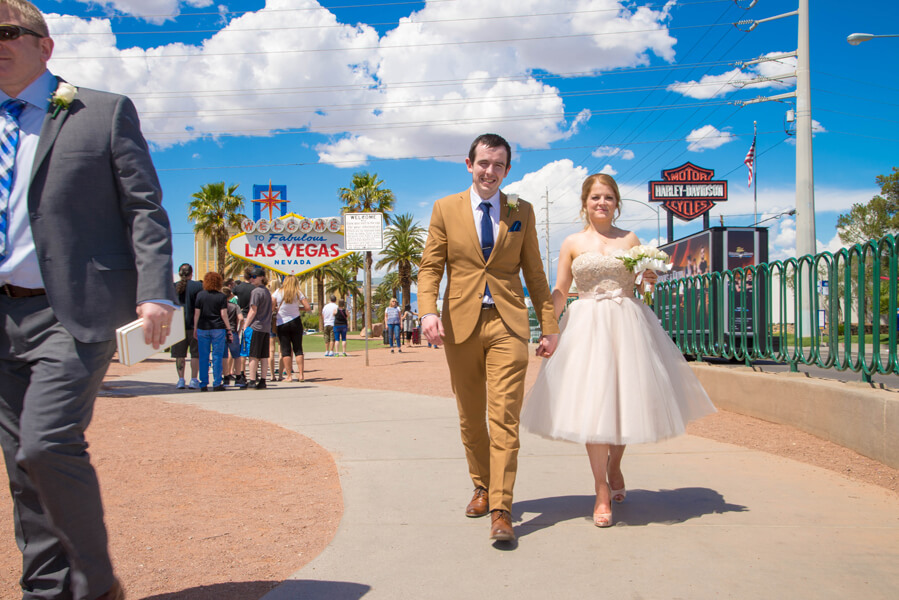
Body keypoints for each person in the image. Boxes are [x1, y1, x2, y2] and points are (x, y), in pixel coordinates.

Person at [0, 2, 175, 598]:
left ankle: (97, 588)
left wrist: (155, 290)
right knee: (23, 468)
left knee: (46, 443)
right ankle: (46, 591)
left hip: (71, 312)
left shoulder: (100, 111)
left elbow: (145, 207)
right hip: (2, 316)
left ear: (44, 46)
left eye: (8, 32)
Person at [521, 173, 716, 528]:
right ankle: (599, 490)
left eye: (608, 197)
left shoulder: (630, 239)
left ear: (616, 203)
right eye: (595, 197)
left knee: (626, 401)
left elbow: (644, 292)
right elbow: (562, 289)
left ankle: (614, 465)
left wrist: (647, 281)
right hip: (586, 327)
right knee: (593, 406)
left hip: (627, 323)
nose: (601, 203)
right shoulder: (572, 242)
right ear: (585, 202)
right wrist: (549, 325)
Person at [418, 133, 558, 543]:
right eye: (483, 163)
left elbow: (534, 273)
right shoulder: (445, 208)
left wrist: (549, 326)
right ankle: (480, 485)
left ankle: (502, 507)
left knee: (504, 419)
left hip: (508, 324)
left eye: (498, 165)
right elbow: (430, 267)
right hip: (460, 325)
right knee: (470, 416)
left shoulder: (522, 211)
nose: (490, 172)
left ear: (507, 170)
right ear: (468, 164)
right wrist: (427, 310)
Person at [193, 271, 231, 392]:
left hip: (202, 328)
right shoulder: (221, 297)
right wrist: (229, 329)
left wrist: (195, 328)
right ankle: (217, 383)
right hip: (218, 328)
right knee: (217, 356)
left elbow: (196, 314)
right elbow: (223, 314)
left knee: (203, 356)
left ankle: (203, 383)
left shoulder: (200, 295)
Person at [273, 275, 310, 381]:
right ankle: (301, 374)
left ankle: (289, 376)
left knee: (285, 350)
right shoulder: (298, 292)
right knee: (298, 349)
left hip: (282, 323)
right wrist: (298, 308)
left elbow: (272, 304)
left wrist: (277, 309)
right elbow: (307, 307)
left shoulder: (278, 292)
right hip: (296, 322)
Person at [171, 262, 202, 389]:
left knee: (179, 355)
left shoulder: (172, 287)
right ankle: (194, 379)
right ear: (191, 273)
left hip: (177, 326)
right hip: (194, 325)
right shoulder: (198, 286)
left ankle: (181, 380)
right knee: (195, 354)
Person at [242, 267, 273, 389]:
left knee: (253, 355)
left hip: (256, 326)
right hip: (265, 327)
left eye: (254, 277)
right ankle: (263, 380)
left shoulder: (256, 292)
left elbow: (253, 310)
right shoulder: (266, 292)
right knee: (264, 355)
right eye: (251, 277)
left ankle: (252, 380)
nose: (252, 279)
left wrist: (245, 325)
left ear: (261, 277)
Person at [231, 266, 255, 385]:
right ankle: (251, 373)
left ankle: (241, 372)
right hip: (252, 318)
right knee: (250, 347)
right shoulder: (254, 288)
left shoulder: (237, 288)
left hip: (240, 316)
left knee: (241, 347)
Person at [221, 287, 243, 385]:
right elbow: (241, 318)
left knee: (224, 356)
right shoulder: (235, 306)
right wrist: (239, 329)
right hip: (233, 331)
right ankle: (238, 376)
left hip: (222, 332)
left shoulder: (220, 307)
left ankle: (226, 377)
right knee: (236, 355)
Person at [267, 277, 281, 380]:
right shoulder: (281, 295)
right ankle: (280, 374)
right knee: (281, 349)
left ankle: (272, 375)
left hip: (271, 321)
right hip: (280, 321)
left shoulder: (269, 296)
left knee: (271, 350)